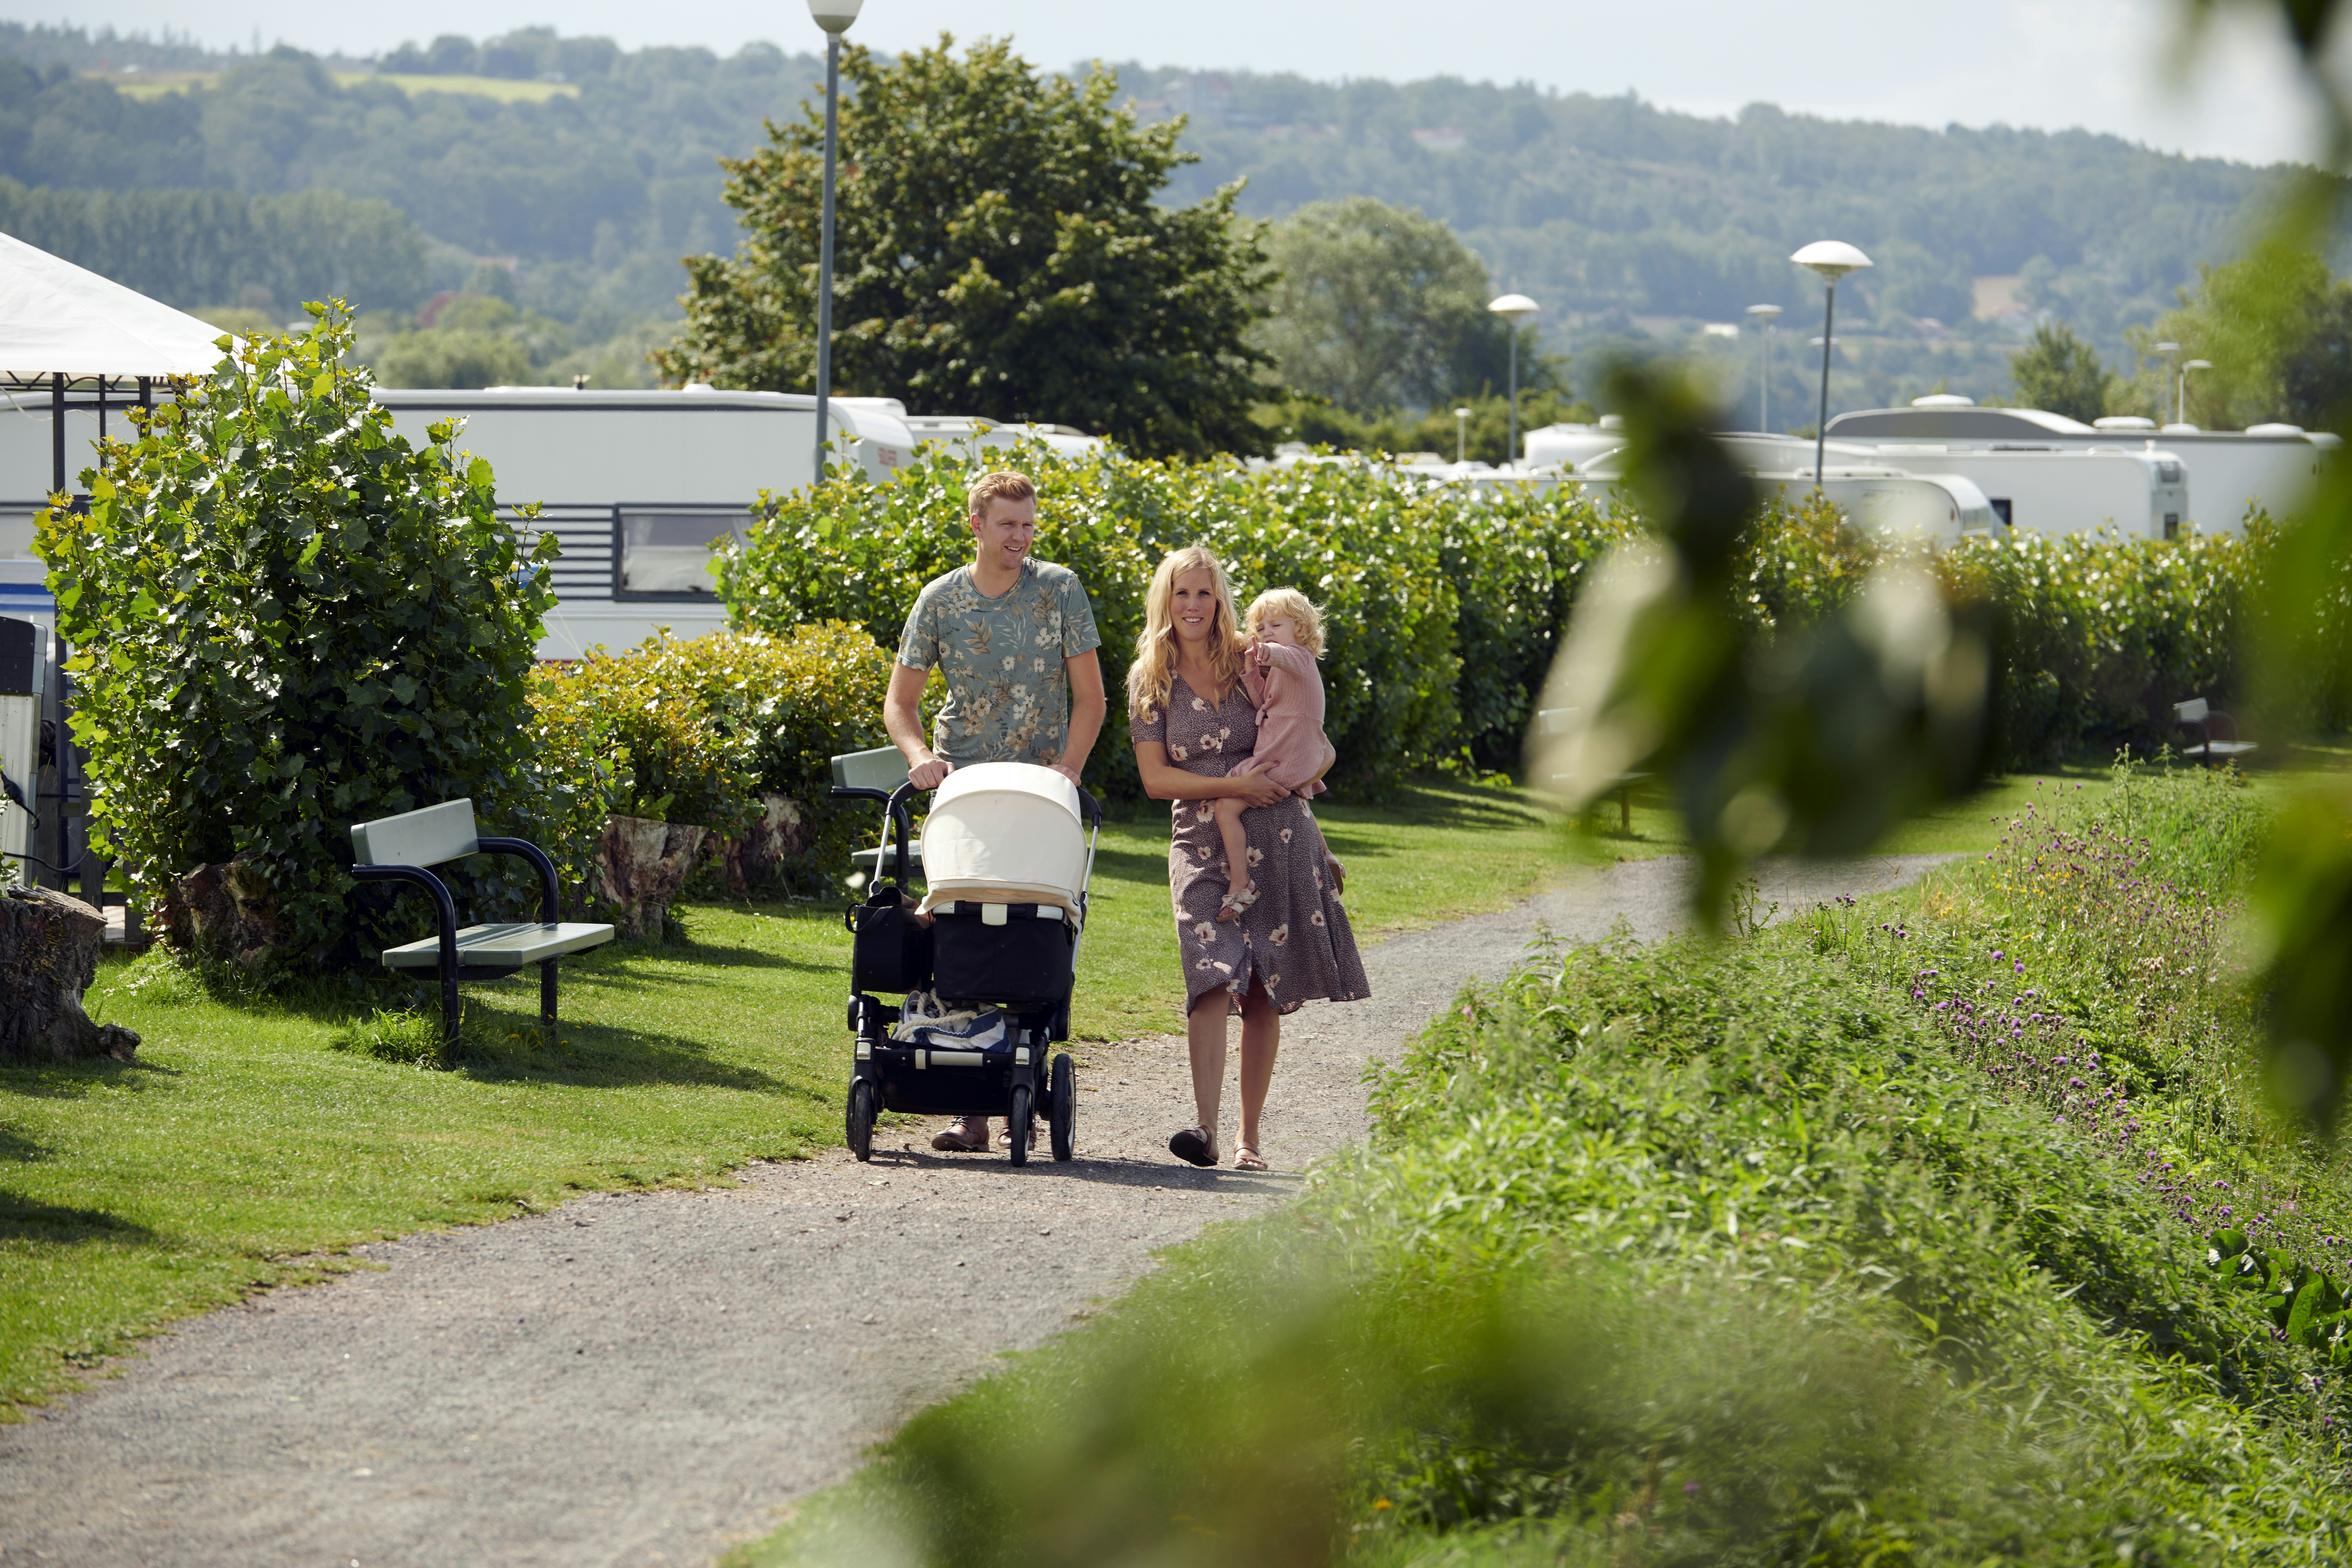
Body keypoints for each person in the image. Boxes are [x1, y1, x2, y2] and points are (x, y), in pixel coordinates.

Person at [1128, 545, 1368, 1172]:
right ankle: (1204, 1129)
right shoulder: (1150, 675)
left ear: (1220, 598)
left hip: (1278, 831)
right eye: (1182, 592)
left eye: (1205, 593)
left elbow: (1315, 735)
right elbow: (1156, 780)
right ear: (1166, 598)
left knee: (1261, 989)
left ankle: (1248, 1139)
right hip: (1199, 840)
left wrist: (1311, 778)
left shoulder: (1249, 656)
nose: (1194, 605)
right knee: (1210, 973)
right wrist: (1234, 787)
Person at [886, 470, 1106, 1153]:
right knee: (957, 931)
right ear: (977, 526)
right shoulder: (940, 600)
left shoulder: (1060, 589)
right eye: (1009, 524)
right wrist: (920, 754)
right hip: (964, 793)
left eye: (1029, 524)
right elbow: (901, 702)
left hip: (1038, 795)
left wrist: (1069, 768)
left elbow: (1091, 698)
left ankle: (1022, 1094)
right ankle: (970, 1112)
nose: (1022, 536)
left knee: (1031, 930)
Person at [1214, 587, 1335, 922]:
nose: (1267, 632)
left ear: (1301, 627)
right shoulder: (1283, 665)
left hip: (1287, 753)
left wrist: (1260, 649)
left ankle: (1241, 882)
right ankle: (1326, 855)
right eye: (1261, 627)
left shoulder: (1300, 658)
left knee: (1226, 805)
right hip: (1288, 749)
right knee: (1297, 799)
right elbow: (1262, 700)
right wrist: (1251, 667)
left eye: (1276, 624)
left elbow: (1280, 655)